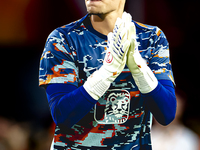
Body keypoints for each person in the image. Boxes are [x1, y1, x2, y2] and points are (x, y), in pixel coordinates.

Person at [39, 0, 177, 149]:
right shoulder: (63, 38)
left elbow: (167, 114)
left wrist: (139, 69)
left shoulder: (152, 38)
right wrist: (106, 73)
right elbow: (62, 115)